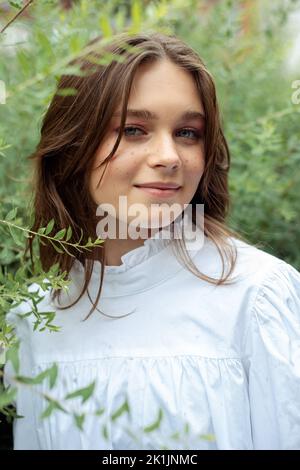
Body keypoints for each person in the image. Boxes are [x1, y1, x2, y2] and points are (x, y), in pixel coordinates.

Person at [3, 31, 300, 450]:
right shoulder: (35, 317)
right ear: (73, 146)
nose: (169, 156)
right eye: (133, 129)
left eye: (188, 133)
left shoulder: (257, 297)